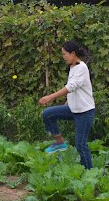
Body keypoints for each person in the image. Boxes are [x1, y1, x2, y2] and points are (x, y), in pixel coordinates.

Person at [38, 40, 95, 169]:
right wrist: (68, 102)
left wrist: (50, 97)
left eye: (65, 54)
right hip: (73, 108)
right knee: (48, 114)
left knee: (80, 144)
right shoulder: (73, 67)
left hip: (85, 112)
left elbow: (71, 87)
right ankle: (59, 142)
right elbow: (75, 91)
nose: (63, 57)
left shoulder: (82, 67)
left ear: (73, 53)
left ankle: (89, 173)